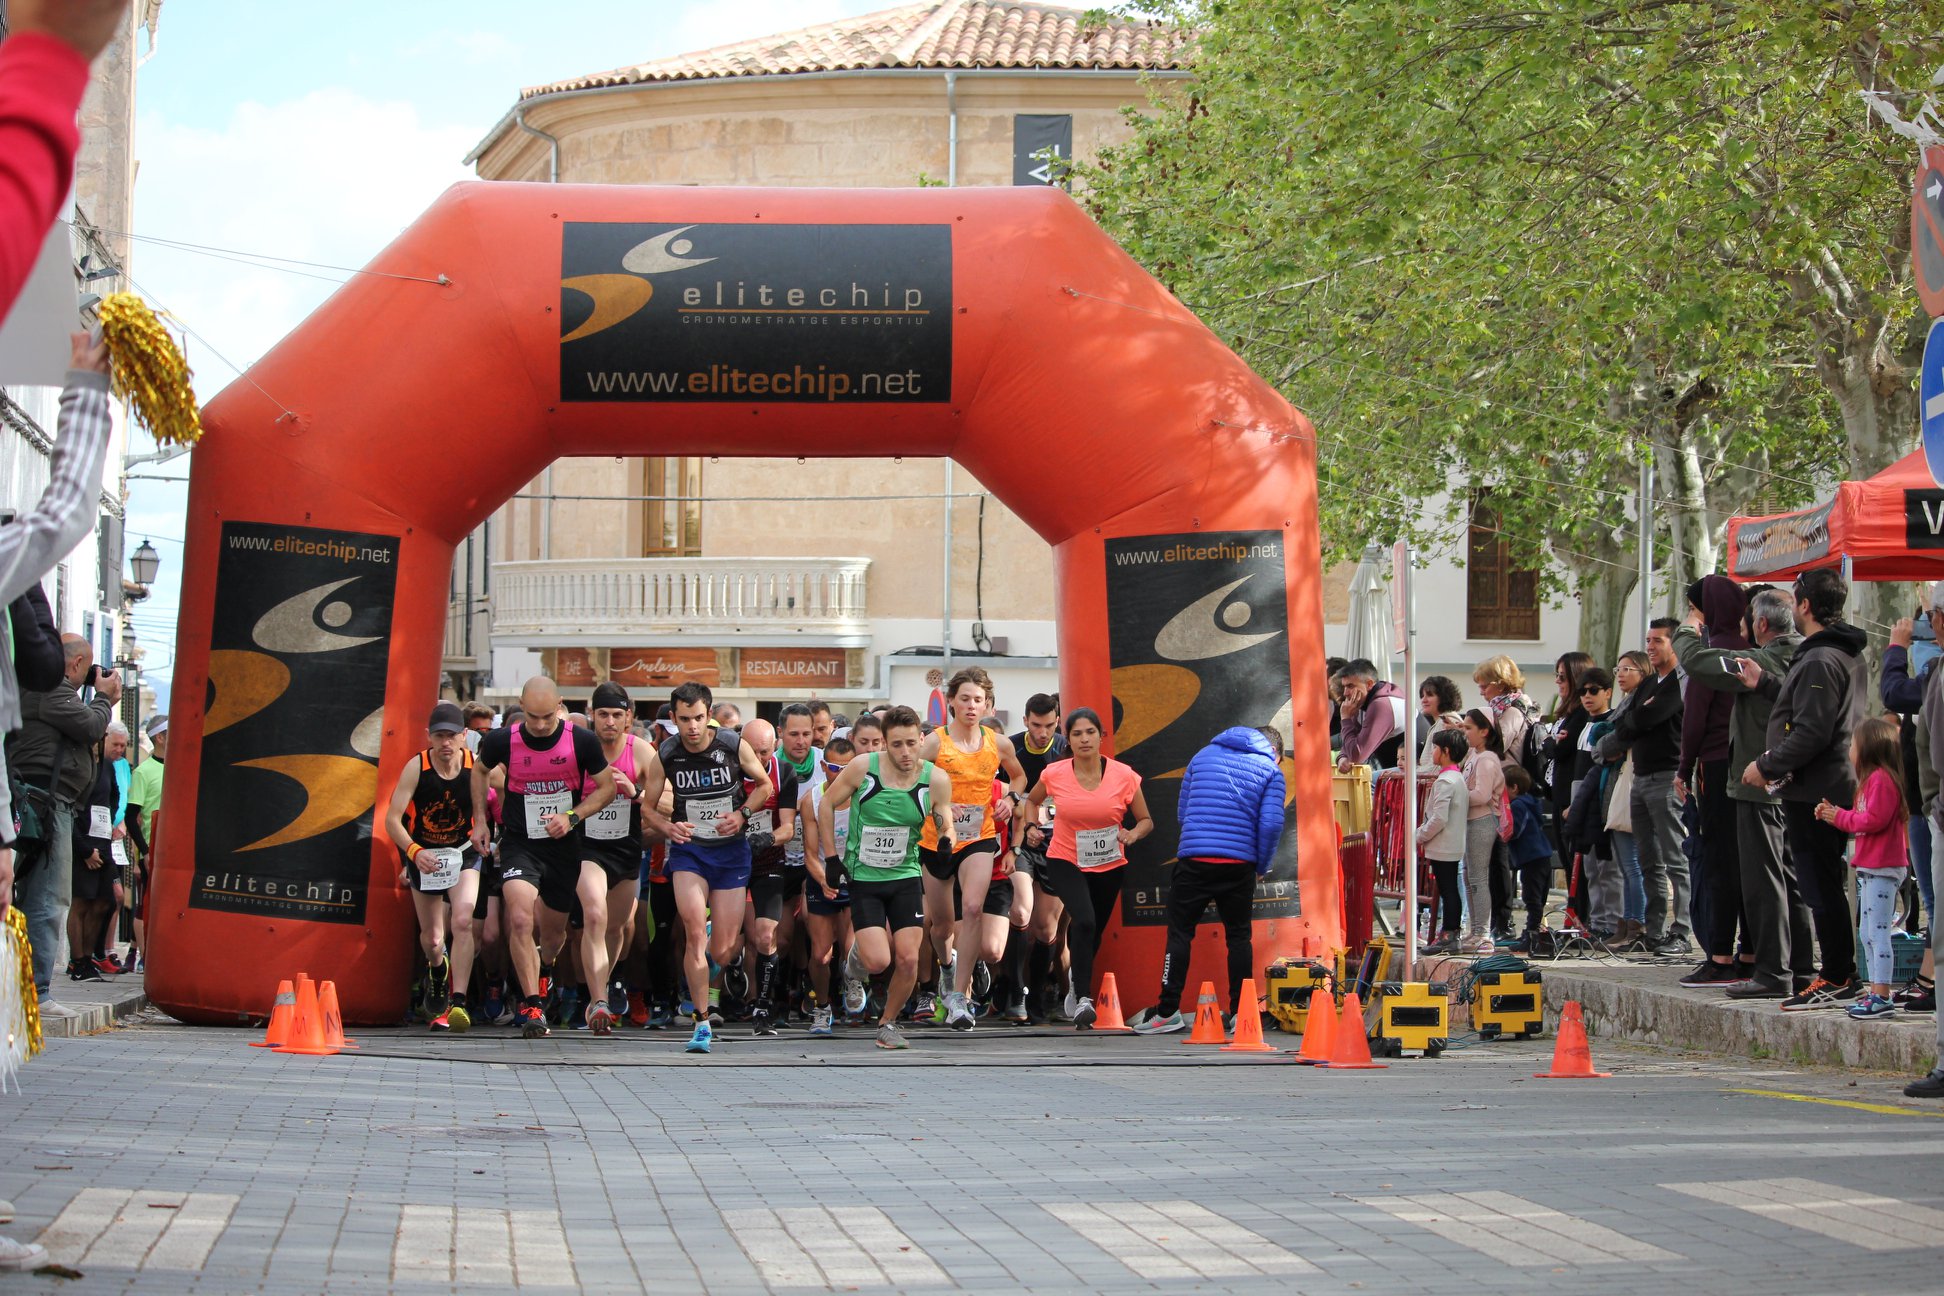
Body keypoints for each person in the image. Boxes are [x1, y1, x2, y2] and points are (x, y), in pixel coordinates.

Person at [1738, 568, 1868, 1011]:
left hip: (1817, 789)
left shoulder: (1819, 658)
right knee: (1820, 882)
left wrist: (1765, 765)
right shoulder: (1837, 653)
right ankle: (1838, 971)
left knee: (1820, 885)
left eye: (1796, 600)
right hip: (1825, 783)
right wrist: (1769, 684)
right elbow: (1814, 709)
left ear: (1805, 605)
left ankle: (1835, 974)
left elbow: (1812, 730)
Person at [469, 676, 615, 1039]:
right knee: (519, 918)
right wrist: (480, 821)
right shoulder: (503, 739)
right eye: (532, 716)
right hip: (521, 843)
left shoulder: (580, 740)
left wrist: (573, 816)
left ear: (560, 706)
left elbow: (608, 787)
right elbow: (479, 770)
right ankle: (531, 1003)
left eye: (547, 717)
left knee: (552, 936)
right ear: (521, 706)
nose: (538, 724)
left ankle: (545, 967)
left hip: (563, 848)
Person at [638, 681, 775, 1054]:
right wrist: (667, 827)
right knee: (694, 933)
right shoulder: (665, 753)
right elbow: (647, 806)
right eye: (684, 719)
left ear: (709, 715)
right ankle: (700, 1021)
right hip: (690, 851)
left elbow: (764, 786)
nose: (692, 727)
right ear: (673, 719)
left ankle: (717, 958)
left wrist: (743, 814)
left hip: (731, 851)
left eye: (698, 718)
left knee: (724, 948)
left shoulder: (731, 744)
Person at [1129, 726, 1286, 1034]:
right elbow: (1270, 825)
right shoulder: (1271, 770)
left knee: (1180, 935)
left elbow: (1183, 811)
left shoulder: (1202, 756)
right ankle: (1241, 1013)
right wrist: (1261, 865)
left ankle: (1167, 1012)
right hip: (1239, 864)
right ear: (1276, 753)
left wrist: (1199, 841)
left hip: (1194, 859)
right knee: (1239, 938)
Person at [817, 705, 955, 1049]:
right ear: (885, 744)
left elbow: (944, 815)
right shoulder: (864, 768)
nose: (905, 752)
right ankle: (854, 964)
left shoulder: (935, 778)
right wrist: (832, 859)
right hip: (865, 877)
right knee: (878, 960)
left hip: (906, 874)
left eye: (912, 743)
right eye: (897, 745)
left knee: (908, 958)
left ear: (922, 740)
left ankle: (888, 1023)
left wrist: (945, 840)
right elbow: (825, 804)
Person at [1023, 707, 1152, 1029]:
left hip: (1109, 862)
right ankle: (1083, 997)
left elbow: (1147, 820)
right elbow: (1031, 801)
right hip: (1065, 858)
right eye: (1077, 734)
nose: (1083, 739)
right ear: (1068, 739)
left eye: (1089, 732)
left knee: (1091, 931)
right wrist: (1030, 827)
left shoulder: (1124, 775)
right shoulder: (1055, 773)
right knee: (1084, 918)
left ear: (1101, 736)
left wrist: (1132, 833)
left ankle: (1074, 979)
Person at [11, 632, 119, 1005]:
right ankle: (35, 994)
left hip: (47, 804)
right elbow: (91, 727)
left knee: (32, 899)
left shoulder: (45, 691)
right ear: (75, 664)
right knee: (47, 900)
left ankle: (24, 988)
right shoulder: (49, 691)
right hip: (45, 804)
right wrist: (104, 697)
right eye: (88, 669)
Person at [916, 667, 1027, 1030]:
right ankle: (946, 967)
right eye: (964, 698)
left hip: (979, 838)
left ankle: (960, 999)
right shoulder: (935, 742)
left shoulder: (998, 743)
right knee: (941, 925)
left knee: (974, 908)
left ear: (987, 705)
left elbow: (1021, 776)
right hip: (937, 842)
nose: (971, 705)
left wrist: (1010, 797)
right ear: (951, 702)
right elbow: (908, 777)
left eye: (978, 700)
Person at [383, 702, 482, 1031]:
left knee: (464, 920)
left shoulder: (476, 765)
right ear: (428, 737)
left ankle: (459, 1000)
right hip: (426, 854)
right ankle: (437, 970)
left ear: (464, 736)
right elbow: (392, 820)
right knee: (432, 937)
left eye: (452, 736)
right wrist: (413, 851)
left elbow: (507, 789)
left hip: (464, 851)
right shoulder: (417, 767)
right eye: (439, 736)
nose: (445, 744)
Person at [1675, 577, 1750, 985]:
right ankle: (1751, 950)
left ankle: (1720, 953)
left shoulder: (1711, 656)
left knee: (1719, 859)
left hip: (1717, 765)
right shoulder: (1754, 652)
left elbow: (1695, 719)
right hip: (1752, 765)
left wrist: (1685, 768)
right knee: (1751, 860)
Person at [1600, 620, 1690, 956]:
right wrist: (1638, 717)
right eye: (1648, 640)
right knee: (1649, 861)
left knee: (1676, 859)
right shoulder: (1649, 683)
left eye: (1658, 641)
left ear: (1674, 643)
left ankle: (1681, 930)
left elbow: (1644, 719)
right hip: (1640, 775)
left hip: (1668, 775)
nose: (1650, 646)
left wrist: (1638, 717)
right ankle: (1653, 931)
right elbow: (1625, 721)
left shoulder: (1679, 682)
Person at [1817, 717, 1909, 1020]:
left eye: (1854, 745)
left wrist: (1838, 818)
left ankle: (1882, 995)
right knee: (1868, 933)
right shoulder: (1871, 782)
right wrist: (1839, 814)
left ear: (1868, 749)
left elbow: (1873, 820)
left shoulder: (1882, 781)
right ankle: (1874, 992)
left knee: (1878, 933)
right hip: (1872, 867)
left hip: (1883, 868)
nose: (1850, 751)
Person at [581, 682, 652, 1030]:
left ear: (628, 718)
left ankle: (601, 987)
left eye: (617, 715)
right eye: (603, 714)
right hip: (587, 850)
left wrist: (635, 791)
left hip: (626, 851)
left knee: (618, 927)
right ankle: (598, 1002)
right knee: (595, 914)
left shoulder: (640, 751)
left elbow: (668, 800)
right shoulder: (579, 748)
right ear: (591, 714)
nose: (610, 721)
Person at [737, 717, 797, 1035]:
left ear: (774, 747)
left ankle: (763, 1005)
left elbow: (788, 827)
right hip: (731, 863)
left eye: (764, 752)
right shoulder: (732, 772)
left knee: (764, 936)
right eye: (751, 751)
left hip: (768, 862)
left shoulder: (784, 772)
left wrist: (768, 838)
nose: (758, 760)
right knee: (726, 944)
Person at [802, 734, 858, 1035]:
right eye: (835, 768)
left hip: (854, 876)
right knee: (821, 954)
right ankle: (822, 1007)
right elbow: (810, 854)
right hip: (822, 874)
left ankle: (852, 979)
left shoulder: (864, 795)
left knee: (851, 949)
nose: (840, 775)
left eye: (847, 769)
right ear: (824, 767)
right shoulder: (810, 800)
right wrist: (824, 880)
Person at [65, 722, 127, 982]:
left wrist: (110, 823)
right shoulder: (79, 764)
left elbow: (113, 798)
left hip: (103, 842)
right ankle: (77, 962)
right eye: (116, 744)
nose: (120, 749)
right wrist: (84, 849)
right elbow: (71, 809)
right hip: (83, 844)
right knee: (81, 902)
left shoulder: (108, 768)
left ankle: (89, 957)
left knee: (106, 901)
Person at [1417, 728, 1471, 952]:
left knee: (1448, 889)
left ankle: (1449, 934)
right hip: (1451, 843)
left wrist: (1419, 835)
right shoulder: (1456, 777)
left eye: (1436, 748)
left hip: (1443, 845)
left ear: (1446, 751)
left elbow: (1439, 817)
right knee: (1449, 889)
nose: (1433, 752)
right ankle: (1450, 933)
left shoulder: (1445, 781)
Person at [1503, 765, 1553, 944]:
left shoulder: (1518, 805)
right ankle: (1534, 929)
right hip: (1541, 855)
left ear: (1514, 787)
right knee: (1538, 898)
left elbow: (1513, 831)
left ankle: (1532, 932)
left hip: (1531, 857)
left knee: (1531, 898)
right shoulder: (1531, 802)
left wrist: (1500, 831)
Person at [1336, 659, 1407, 771]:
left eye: (1350, 686)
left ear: (1369, 684)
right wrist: (1342, 756)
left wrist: (1346, 718)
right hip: (1394, 768)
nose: (1345, 693)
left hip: (1415, 773)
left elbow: (1357, 756)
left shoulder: (1382, 705)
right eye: (1344, 687)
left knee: (1371, 782)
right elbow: (1353, 740)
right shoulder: (1363, 701)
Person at [1416, 676, 1464, 768]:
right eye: (1422, 696)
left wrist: (1410, 775)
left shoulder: (1446, 722)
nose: (1423, 700)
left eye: (1430, 695)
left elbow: (1438, 766)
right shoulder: (1440, 722)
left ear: (1443, 697)